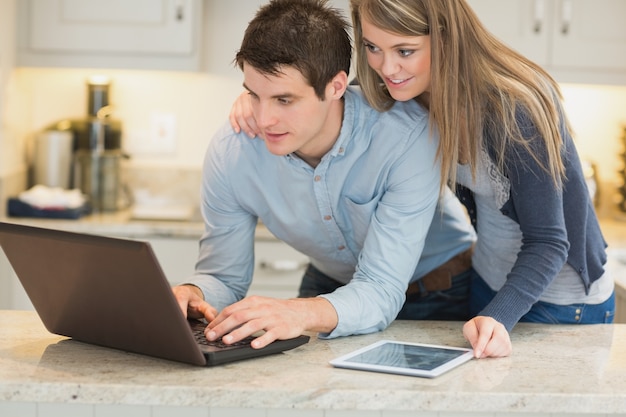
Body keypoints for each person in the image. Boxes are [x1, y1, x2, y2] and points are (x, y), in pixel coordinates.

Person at [230, 0, 616, 359]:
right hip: (489, 285)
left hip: (560, 300)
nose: (386, 67)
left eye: (405, 50)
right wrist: (263, 96)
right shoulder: (417, 93)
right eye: (373, 47)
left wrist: (500, 315)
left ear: (446, 38)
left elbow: (550, 242)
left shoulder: (514, 108)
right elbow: (325, 97)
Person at [173, 0, 476, 350]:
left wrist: (299, 313)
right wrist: (192, 293)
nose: (264, 118)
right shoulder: (232, 153)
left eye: (284, 100)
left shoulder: (406, 138)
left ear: (336, 87)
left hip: (440, 287)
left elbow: (380, 288)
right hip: (332, 285)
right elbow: (223, 276)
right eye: (254, 95)